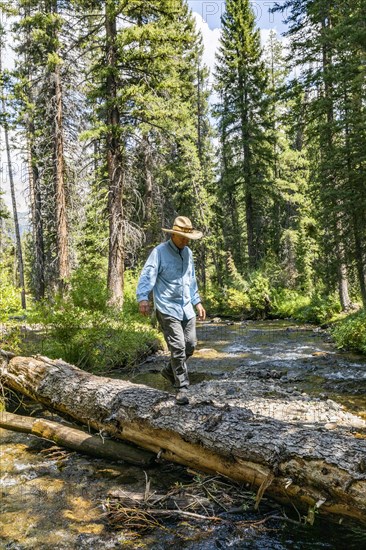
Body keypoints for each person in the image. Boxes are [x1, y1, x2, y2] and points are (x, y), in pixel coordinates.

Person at [136, 216, 206, 405]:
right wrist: (143, 297)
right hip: (167, 307)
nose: (185, 240)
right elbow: (148, 274)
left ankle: (169, 371)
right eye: (182, 237)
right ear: (173, 235)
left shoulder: (188, 253)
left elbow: (191, 280)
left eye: (187, 237)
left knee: (190, 345)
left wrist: (197, 302)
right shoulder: (159, 252)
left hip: (186, 307)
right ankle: (182, 387)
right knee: (178, 347)